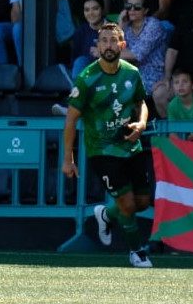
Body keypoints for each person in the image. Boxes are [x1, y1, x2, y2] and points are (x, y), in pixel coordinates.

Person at [62, 22, 152, 268]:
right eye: (104, 41)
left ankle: (106, 214)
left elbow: (141, 103)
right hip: (102, 149)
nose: (109, 45)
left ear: (122, 45)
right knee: (128, 204)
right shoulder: (86, 78)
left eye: (113, 41)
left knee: (142, 202)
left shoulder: (132, 73)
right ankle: (137, 252)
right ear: (98, 46)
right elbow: (71, 120)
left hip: (130, 145)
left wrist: (141, 123)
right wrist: (68, 159)